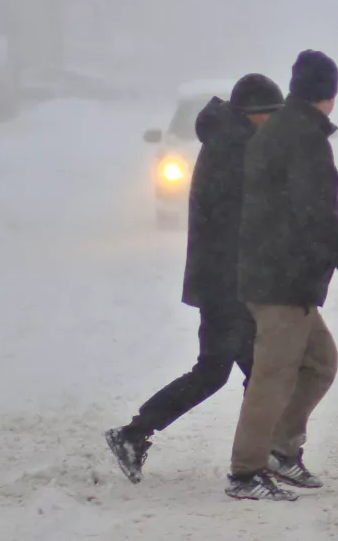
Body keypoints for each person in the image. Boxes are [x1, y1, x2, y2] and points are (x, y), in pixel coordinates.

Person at [105, 73, 284, 484]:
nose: (272, 122)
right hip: (226, 282)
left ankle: (263, 452)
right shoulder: (231, 149)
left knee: (257, 372)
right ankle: (135, 434)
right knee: (219, 371)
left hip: (229, 279)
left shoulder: (234, 141)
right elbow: (240, 221)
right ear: (250, 113)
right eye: (268, 115)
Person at [225, 50, 338, 501]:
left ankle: (279, 450)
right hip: (281, 278)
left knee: (319, 363)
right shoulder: (303, 139)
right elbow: (317, 216)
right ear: (329, 95)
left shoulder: (284, 131)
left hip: (282, 275)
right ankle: (245, 472)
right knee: (272, 376)